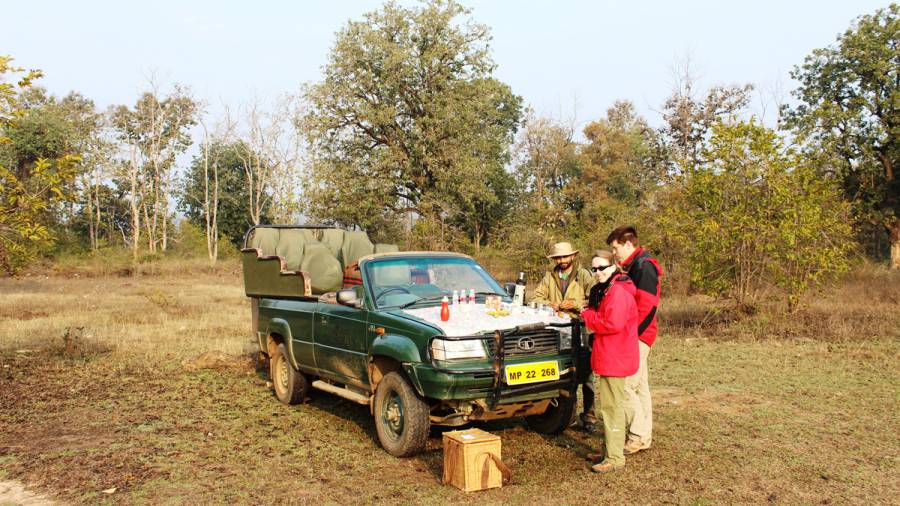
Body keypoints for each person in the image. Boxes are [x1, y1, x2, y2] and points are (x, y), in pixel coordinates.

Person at [580, 250, 639, 474]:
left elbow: (611, 323)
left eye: (602, 268)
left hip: (615, 357)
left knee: (612, 408)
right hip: (610, 356)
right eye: (594, 269)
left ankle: (614, 458)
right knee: (609, 406)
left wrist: (587, 315)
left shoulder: (618, 292)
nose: (597, 272)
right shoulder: (610, 289)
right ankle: (609, 451)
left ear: (613, 266)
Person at [606, 225, 662, 455]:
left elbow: (647, 307)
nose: (614, 253)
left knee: (626, 386)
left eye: (615, 248)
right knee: (640, 387)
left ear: (628, 244)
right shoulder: (636, 265)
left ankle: (637, 436)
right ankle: (643, 436)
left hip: (638, 335)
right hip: (640, 334)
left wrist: (631, 335)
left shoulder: (644, 266)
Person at [530, 241, 597, 430]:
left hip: (582, 328)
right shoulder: (549, 276)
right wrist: (549, 304)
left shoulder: (584, 275)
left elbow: (595, 299)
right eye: (558, 257)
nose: (562, 260)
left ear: (573, 256)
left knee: (587, 375)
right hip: (558, 331)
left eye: (565, 256)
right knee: (564, 372)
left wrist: (575, 304)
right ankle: (565, 415)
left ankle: (589, 417)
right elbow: (535, 297)